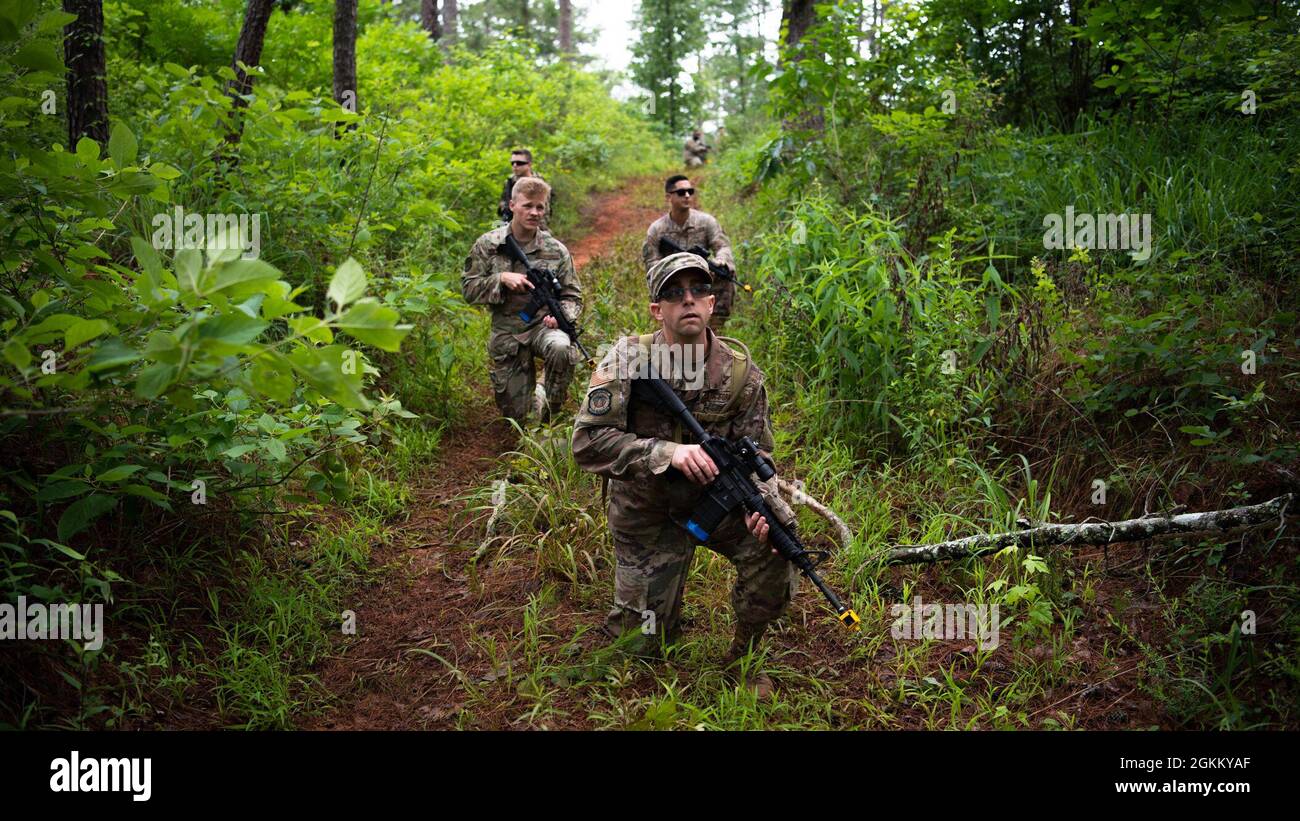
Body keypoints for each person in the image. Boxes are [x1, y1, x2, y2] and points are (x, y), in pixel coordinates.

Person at [571, 252, 798, 698]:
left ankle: (746, 658)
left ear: (713, 303)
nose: (688, 300)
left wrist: (761, 501)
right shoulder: (627, 359)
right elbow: (586, 443)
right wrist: (667, 452)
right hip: (646, 511)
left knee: (776, 539)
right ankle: (656, 614)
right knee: (642, 646)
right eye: (674, 294)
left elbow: (760, 453)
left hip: (711, 505)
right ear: (658, 310)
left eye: (698, 291)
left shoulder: (740, 376)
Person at [463, 176, 581, 424]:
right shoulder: (489, 245)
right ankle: (535, 393)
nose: (535, 212)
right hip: (507, 333)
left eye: (540, 207)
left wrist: (560, 317)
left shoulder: (556, 250)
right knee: (518, 418)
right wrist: (501, 279)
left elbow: (572, 295)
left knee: (561, 347)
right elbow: (469, 290)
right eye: (528, 205)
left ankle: (550, 404)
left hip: (542, 328)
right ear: (512, 205)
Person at [642, 175, 738, 331]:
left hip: (702, 276)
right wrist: (672, 271)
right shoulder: (657, 229)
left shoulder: (706, 222)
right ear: (669, 197)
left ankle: (717, 325)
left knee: (725, 274)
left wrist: (720, 261)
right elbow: (651, 264)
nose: (687, 195)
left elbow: (723, 246)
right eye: (681, 192)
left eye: (690, 191)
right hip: (672, 280)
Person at [497, 148, 550, 223]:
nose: (515, 165)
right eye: (512, 163)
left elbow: (545, 209)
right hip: (510, 223)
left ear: (529, 164)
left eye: (519, 163)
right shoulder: (509, 181)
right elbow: (503, 204)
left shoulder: (539, 183)